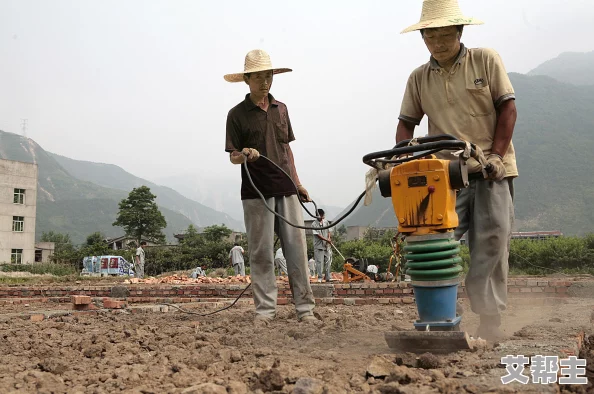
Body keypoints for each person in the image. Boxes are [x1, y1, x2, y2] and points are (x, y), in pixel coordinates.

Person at [396, 0, 517, 341]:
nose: (438, 42)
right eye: (430, 35)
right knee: (434, 244)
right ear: (423, 38)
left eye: (444, 34)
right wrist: (403, 159)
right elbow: (406, 125)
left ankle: (489, 316)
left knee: (491, 243)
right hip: (445, 174)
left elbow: (508, 109)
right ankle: (439, 315)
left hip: (491, 168)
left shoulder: (485, 60)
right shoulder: (419, 78)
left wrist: (496, 155)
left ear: (459, 31)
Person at [224, 49, 316, 323]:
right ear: (247, 79)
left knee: (297, 251)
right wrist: (245, 154)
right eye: (259, 77)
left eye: (269, 76)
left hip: (286, 188)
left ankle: (305, 309)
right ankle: (265, 311)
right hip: (256, 193)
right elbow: (232, 156)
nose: (265, 82)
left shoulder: (281, 109)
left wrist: (298, 182)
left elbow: (286, 149)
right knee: (261, 253)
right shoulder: (236, 115)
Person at [312, 209, 332, 283]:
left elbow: (329, 231)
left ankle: (327, 277)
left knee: (328, 261)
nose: (322, 217)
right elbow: (318, 235)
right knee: (319, 262)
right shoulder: (314, 224)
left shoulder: (326, 222)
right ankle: (320, 277)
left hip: (326, 246)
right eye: (320, 215)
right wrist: (326, 240)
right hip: (319, 246)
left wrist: (329, 238)